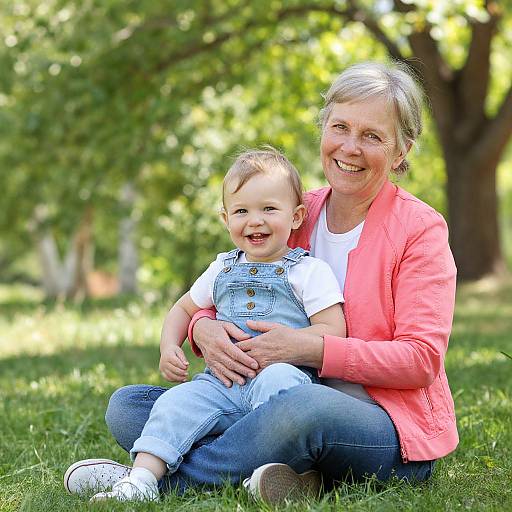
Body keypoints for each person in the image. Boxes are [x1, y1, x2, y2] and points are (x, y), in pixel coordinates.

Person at [64, 61, 458, 505]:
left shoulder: (420, 228)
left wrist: (307, 349)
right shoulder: (289, 211)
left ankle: (150, 479)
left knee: (299, 409)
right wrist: (202, 330)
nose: (349, 147)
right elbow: (233, 285)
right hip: (262, 394)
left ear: (402, 150)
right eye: (340, 127)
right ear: (323, 129)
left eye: (372, 136)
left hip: (378, 422)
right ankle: (288, 474)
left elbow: (421, 359)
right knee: (129, 406)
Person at [68, 148, 346, 502]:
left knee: (286, 394)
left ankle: (261, 472)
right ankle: (139, 481)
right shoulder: (221, 268)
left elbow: (334, 330)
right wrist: (169, 346)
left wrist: (290, 342)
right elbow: (183, 309)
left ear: (296, 217)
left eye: (269, 209)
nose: (255, 220)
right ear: (225, 218)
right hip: (222, 384)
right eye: (242, 211)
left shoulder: (308, 271)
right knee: (177, 402)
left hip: (281, 377)